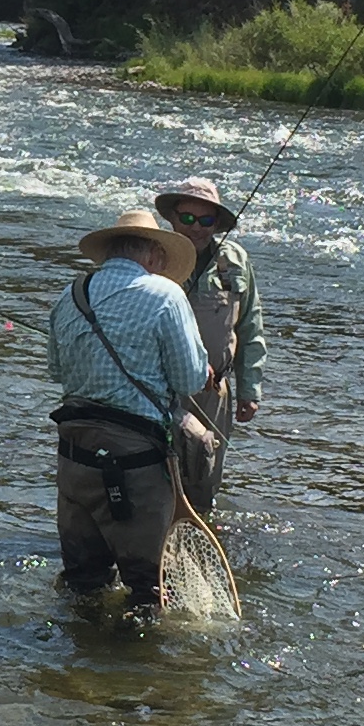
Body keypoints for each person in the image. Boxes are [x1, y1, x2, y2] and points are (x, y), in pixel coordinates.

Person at [47, 206, 210, 616]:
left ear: (107, 254)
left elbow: (56, 370)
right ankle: (135, 674)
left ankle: (75, 667)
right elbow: (191, 380)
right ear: (153, 255)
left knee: (83, 587)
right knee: (149, 592)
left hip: (73, 459)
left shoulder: (71, 295)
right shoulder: (166, 296)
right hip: (134, 466)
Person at [153, 176, 265, 513]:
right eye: (187, 218)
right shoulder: (154, 256)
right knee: (158, 470)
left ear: (217, 223)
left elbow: (250, 325)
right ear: (172, 218)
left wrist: (250, 390)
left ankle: (196, 527)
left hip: (214, 390)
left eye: (206, 220)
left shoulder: (236, 259)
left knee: (207, 468)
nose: (196, 228)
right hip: (161, 385)